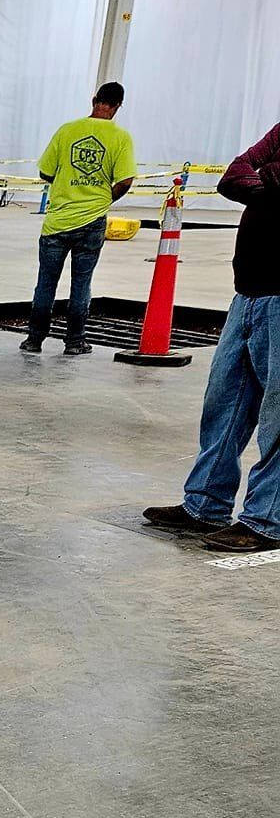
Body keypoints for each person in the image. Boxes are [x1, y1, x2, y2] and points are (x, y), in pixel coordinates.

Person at [143, 119, 280, 554]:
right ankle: (204, 503)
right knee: (224, 404)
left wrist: (266, 177)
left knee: (278, 418)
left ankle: (266, 518)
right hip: (249, 293)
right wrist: (268, 178)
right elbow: (234, 176)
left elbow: (254, 177)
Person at [22, 82, 137, 354]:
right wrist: (103, 198)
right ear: (118, 106)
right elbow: (125, 180)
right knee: (81, 283)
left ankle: (34, 339)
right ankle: (74, 342)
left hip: (57, 222)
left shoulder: (66, 131)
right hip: (92, 222)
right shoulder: (121, 138)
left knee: (46, 283)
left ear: (94, 99)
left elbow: (45, 173)